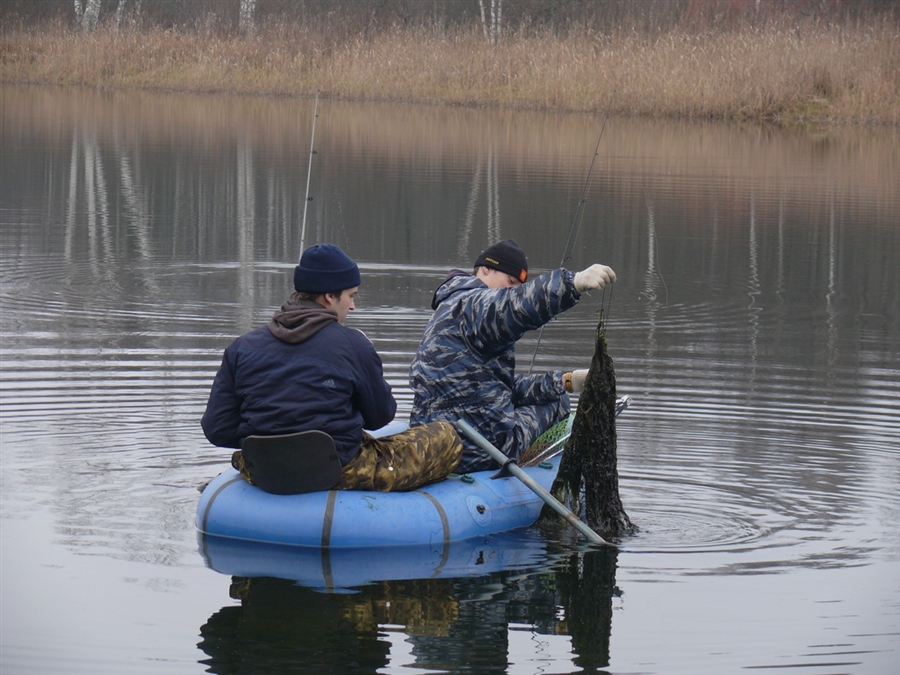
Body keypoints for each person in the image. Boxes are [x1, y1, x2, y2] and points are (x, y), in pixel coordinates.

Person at [202, 243, 462, 492]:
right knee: (445, 436)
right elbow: (380, 417)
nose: (352, 306)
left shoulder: (242, 347)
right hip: (339, 469)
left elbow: (217, 429)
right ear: (329, 296)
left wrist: (272, 435)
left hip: (262, 470)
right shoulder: (353, 344)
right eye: (350, 296)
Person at [408, 239, 615, 474]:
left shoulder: (448, 307)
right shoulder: (477, 305)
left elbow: (494, 388)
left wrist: (567, 380)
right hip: (479, 450)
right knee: (557, 402)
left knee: (555, 392)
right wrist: (573, 283)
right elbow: (515, 306)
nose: (511, 290)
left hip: (430, 443)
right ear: (486, 268)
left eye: (518, 286)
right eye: (510, 282)